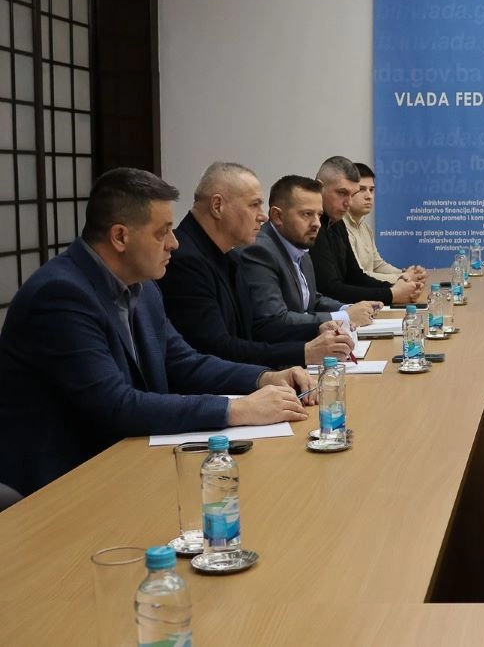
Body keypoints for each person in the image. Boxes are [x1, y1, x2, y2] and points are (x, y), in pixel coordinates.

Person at [0, 168, 316, 496]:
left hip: (125, 462)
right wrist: (235, 410)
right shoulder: (61, 295)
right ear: (120, 237)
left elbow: (183, 363)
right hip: (59, 482)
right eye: (162, 232)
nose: (174, 243)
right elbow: (115, 405)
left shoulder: (145, 288)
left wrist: (264, 378)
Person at [158, 162, 353, 368]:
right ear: (217, 206)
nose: (263, 216)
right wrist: (304, 353)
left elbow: (257, 328)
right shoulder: (185, 262)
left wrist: (316, 329)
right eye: (254, 205)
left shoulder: (228, 256)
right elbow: (217, 350)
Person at [236, 175, 379, 342]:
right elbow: (275, 320)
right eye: (307, 214)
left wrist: (347, 308)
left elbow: (311, 300)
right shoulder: (260, 251)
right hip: (278, 354)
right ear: (277, 216)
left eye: (319, 215)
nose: (317, 223)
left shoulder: (300, 247)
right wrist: (345, 316)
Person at [308, 156, 420, 305]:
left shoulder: (337, 223)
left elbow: (355, 275)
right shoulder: (313, 227)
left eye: (352, 194)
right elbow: (329, 289)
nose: (348, 203)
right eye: (342, 193)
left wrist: (395, 288)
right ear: (319, 187)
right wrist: (391, 294)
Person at [345, 162, 426, 284]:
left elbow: (378, 265)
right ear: (347, 192)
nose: (369, 196)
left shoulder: (365, 227)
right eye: (361, 189)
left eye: (371, 190)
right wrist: (403, 278)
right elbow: (360, 276)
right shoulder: (340, 229)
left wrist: (404, 273)